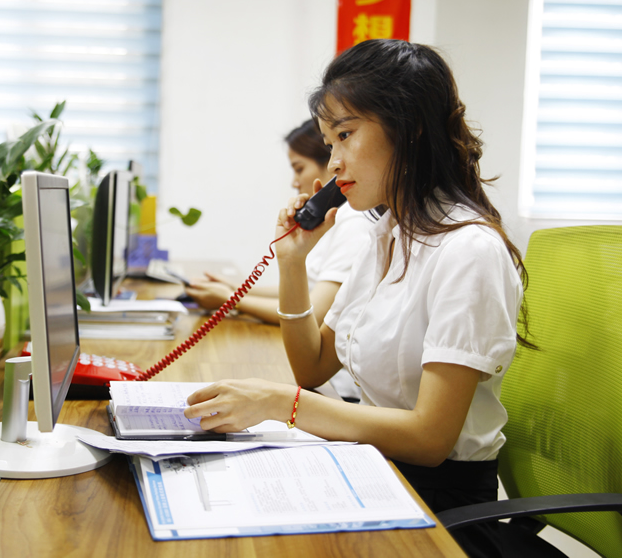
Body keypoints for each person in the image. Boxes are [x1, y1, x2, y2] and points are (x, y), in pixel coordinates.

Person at [183, 39, 532, 558]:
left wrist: (280, 404)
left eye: (345, 135)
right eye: (329, 143)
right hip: (377, 474)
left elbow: (430, 439)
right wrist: (293, 263)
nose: (334, 163)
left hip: (441, 514)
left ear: (409, 127)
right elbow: (312, 367)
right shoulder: (387, 236)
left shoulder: (468, 251)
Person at [185, 120, 372, 329]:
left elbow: (314, 312)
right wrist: (234, 288)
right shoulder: (331, 220)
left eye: (299, 169)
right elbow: (305, 291)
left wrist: (230, 300)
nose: (294, 182)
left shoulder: (354, 222)